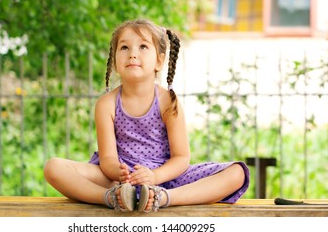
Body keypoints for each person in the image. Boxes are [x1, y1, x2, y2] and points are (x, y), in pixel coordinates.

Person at [44, 19, 250, 212]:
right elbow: (107, 159)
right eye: (124, 47)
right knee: (53, 167)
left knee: (237, 173)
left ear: (159, 61)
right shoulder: (106, 104)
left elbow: (181, 158)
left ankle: (162, 198)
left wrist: (154, 177)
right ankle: (110, 197)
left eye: (143, 47)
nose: (133, 54)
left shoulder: (167, 101)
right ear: (115, 61)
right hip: (118, 179)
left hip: (164, 177)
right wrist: (119, 173)